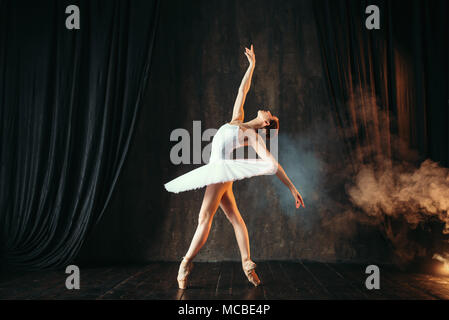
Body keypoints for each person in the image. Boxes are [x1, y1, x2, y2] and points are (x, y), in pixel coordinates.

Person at [164, 45, 305, 289]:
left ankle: (185, 262)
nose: (266, 109)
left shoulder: (253, 136)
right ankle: (247, 262)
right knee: (235, 218)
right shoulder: (237, 120)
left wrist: (292, 188)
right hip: (220, 171)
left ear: (267, 121)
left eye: (269, 113)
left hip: (220, 170)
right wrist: (252, 66)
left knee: (204, 218)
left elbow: (274, 164)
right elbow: (243, 89)